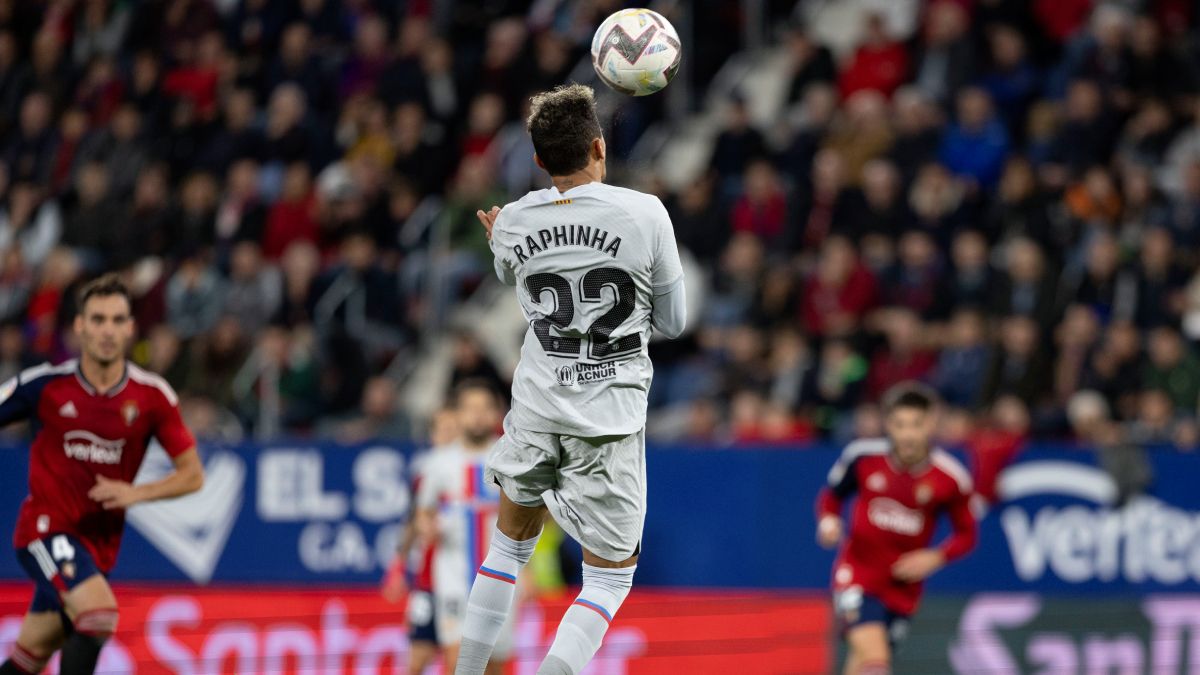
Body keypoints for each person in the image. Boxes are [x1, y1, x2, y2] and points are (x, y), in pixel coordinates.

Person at [456, 84, 687, 675]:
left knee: (507, 547)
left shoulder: (512, 220)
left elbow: (513, 268)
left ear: (537, 160)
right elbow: (674, 321)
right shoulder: (645, 212)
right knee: (609, 579)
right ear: (599, 146)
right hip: (607, 419)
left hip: (538, 405)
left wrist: (504, 236)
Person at [0, 274, 204, 675]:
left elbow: (192, 475)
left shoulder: (151, 396)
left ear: (131, 328)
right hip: (45, 531)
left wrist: (136, 494)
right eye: (97, 320)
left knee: (28, 660)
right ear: (79, 326)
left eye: (116, 320)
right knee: (97, 616)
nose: (107, 331)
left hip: (98, 548)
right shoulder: (46, 386)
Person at [815, 382, 977, 675]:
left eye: (916, 424)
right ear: (888, 424)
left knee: (864, 660)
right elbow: (831, 497)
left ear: (931, 424)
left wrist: (936, 557)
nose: (908, 434)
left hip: (902, 589)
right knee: (877, 659)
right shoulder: (863, 457)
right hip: (857, 573)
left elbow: (967, 535)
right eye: (900, 424)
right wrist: (829, 522)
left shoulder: (950, 478)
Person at [413, 383, 514, 674]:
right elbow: (423, 510)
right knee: (458, 659)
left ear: (496, 413)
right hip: (454, 572)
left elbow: (531, 514)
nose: (478, 416)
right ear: (458, 414)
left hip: (502, 573)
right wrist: (426, 527)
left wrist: (528, 566)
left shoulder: (510, 457)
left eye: (484, 409)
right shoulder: (439, 462)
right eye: (470, 409)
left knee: (495, 662)